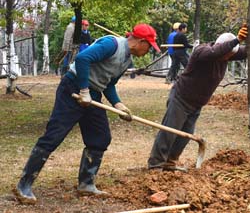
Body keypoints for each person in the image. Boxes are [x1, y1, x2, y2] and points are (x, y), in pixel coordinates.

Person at [14, 23, 160, 204]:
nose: (149, 50)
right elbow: (83, 59)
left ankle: (86, 184)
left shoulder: (127, 59)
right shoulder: (111, 45)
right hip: (73, 88)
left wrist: (118, 104)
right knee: (54, 136)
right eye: (149, 46)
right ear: (140, 41)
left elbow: (109, 82)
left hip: (93, 94)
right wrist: (83, 90)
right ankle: (24, 184)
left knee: (100, 138)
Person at [147, 24, 250, 171]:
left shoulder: (226, 55)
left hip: (196, 104)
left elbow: (246, 52)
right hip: (181, 98)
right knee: (170, 131)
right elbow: (214, 52)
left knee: (186, 135)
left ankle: (170, 162)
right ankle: (155, 164)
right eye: (226, 54)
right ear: (221, 45)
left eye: (230, 55)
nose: (228, 58)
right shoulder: (202, 51)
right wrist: (237, 40)